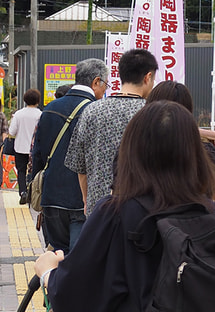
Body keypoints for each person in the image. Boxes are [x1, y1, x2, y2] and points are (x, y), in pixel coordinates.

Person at [34, 101, 215, 312]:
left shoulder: (117, 212)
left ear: (132, 149)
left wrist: (49, 272)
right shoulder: (211, 213)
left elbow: (75, 300)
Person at [64, 48, 157, 216]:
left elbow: (80, 166)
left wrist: (86, 200)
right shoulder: (153, 112)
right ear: (147, 77)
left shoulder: (91, 110)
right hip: (141, 211)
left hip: (98, 209)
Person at [32, 59, 105, 252]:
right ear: (96, 82)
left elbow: (37, 153)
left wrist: (37, 186)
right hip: (82, 198)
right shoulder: (96, 111)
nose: (105, 90)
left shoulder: (50, 108)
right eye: (105, 84)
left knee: (57, 252)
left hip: (51, 195)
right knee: (78, 257)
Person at [7, 88, 42, 203]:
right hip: (34, 148)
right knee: (34, 170)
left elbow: (12, 132)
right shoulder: (40, 114)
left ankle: (23, 192)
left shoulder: (19, 114)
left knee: (21, 171)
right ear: (38, 101)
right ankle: (32, 193)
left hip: (20, 147)